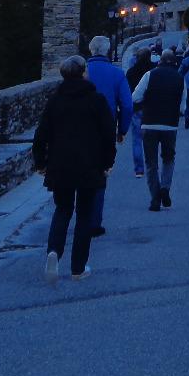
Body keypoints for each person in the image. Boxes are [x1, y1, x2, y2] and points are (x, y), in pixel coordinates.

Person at [32, 56, 115, 283]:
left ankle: (54, 252)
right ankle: (78, 268)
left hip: (61, 165)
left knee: (62, 209)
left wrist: (40, 162)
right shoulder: (96, 100)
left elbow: (41, 135)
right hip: (90, 165)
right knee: (85, 214)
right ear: (83, 72)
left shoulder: (55, 100)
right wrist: (108, 162)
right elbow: (108, 134)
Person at [84, 36, 133, 237]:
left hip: (77, 129)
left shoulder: (81, 71)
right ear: (107, 50)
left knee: (78, 172)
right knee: (100, 173)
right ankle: (94, 222)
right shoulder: (116, 73)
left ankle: (80, 217)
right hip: (105, 131)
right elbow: (127, 105)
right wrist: (122, 130)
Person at [132, 50, 184, 211]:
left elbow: (135, 97)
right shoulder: (179, 78)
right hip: (169, 125)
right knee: (168, 158)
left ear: (159, 61)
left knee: (151, 163)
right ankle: (165, 188)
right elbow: (184, 106)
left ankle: (155, 198)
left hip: (149, 123)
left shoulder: (149, 75)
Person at [124, 47, 152, 178]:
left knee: (136, 140)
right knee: (151, 139)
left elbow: (127, 92)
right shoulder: (153, 71)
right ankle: (152, 166)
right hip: (151, 109)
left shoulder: (131, 72)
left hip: (136, 108)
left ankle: (139, 170)